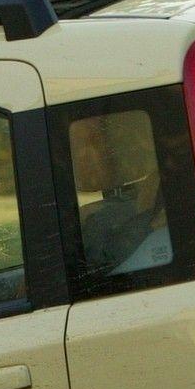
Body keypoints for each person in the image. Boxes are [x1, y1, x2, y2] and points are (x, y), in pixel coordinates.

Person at [69, 109, 171, 277]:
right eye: (77, 147)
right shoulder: (109, 212)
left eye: (94, 141)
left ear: (140, 141)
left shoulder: (164, 197)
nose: (82, 155)